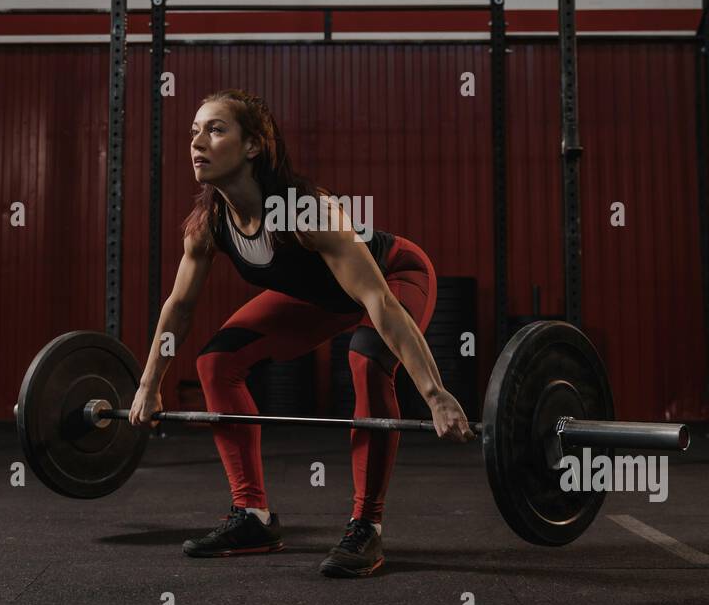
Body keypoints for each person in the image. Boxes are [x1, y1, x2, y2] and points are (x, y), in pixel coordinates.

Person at [128, 89, 472, 578]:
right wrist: (148, 383)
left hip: (394, 276)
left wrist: (436, 394)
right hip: (321, 300)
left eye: (216, 129)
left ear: (253, 146)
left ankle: (367, 526)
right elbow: (179, 307)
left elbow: (377, 300)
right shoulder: (207, 225)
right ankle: (253, 516)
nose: (197, 142)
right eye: (194, 131)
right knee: (216, 362)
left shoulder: (305, 211)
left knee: (365, 361)